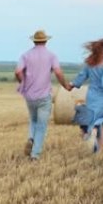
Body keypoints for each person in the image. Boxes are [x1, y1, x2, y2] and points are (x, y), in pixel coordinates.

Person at [15, 30, 72, 161]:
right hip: (44, 95)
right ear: (46, 41)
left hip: (29, 96)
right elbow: (58, 72)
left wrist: (23, 83)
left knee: (33, 120)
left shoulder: (25, 55)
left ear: (34, 41)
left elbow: (18, 71)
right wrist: (65, 85)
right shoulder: (51, 56)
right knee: (41, 125)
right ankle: (35, 154)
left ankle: (31, 138)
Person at [68, 36, 103, 154]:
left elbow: (81, 77)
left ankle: (90, 133)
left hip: (92, 96)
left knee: (92, 118)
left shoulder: (89, 65)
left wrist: (72, 84)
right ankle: (97, 149)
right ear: (101, 53)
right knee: (101, 124)